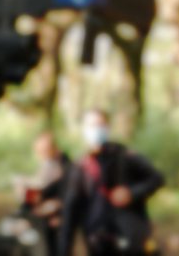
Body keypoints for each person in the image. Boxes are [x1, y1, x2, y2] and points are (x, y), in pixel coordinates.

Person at [58, 109, 164, 256]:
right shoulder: (80, 167)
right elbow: (70, 212)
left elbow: (156, 178)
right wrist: (64, 250)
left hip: (130, 238)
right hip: (97, 241)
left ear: (107, 127)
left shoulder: (124, 156)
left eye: (100, 125)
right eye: (91, 126)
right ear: (84, 129)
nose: (96, 130)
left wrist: (131, 193)